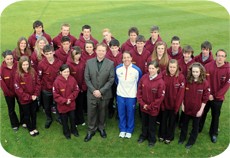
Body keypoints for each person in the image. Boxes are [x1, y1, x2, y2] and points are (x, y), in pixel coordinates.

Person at [84, 43, 114, 142]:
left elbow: (111, 79)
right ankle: (91, 130)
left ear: (106, 52)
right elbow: (87, 78)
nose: (101, 52)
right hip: (91, 93)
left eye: (103, 51)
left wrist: (101, 91)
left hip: (104, 94)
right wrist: (94, 90)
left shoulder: (110, 63)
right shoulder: (89, 62)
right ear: (96, 50)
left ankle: (101, 128)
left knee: (102, 112)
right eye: (99, 50)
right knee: (91, 112)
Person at [199, 49, 229, 143]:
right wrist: (208, 94)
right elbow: (204, 81)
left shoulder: (228, 70)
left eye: (222, 56)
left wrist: (215, 96)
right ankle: (198, 128)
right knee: (203, 112)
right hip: (207, 96)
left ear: (225, 57)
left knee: (215, 116)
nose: (220, 57)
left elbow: (226, 86)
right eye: (218, 55)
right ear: (215, 56)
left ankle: (213, 133)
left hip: (218, 99)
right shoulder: (208, 66)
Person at [178, 62, 210, 149]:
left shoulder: (205, 83)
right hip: (187, 107)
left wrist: (201, 110)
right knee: (184, 124)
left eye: (197, 72)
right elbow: (182, 94)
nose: (195, 73)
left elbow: (205, 98)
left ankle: (191, 141)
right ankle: (182, 138)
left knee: (195, 126)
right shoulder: (187, 81)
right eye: (193, 72)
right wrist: (183, 105)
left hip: (197, 109)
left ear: (201, 72)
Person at [137, 60, 165, 147]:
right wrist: (143, 104)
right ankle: (143, 135)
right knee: (144, 123)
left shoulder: (161, 82)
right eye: (149, 68)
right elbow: (139, 92)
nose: (151, 70)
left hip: (153, 109)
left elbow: (160, 98)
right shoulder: (144, 78)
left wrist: (149, 106)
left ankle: (152, 139)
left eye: (153, 68)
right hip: (143, 107)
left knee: (152, 125)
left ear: (157, 69)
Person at [115, 51, 142, 139]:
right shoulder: (118, 69)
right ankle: (123, 129)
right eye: (124, 57)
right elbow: (116, 80)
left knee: (130, 113)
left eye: (128, 57)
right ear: (122, 59)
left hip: (131, 96)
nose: (126, 59)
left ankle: (129, 130)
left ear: (131, 58)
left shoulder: (136, 70)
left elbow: (139, 83)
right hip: (120, 95)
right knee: (121, 113)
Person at [159, 59, 185, 144]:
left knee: (172, 121)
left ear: (177, 67)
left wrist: (177, 107)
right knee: (163, 120)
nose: (172, 69)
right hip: (164, 103)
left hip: (174, 105)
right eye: (170, 67)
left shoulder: (181, 77)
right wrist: (162, 103)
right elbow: (160, 89)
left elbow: (181, 94)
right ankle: (162, 135)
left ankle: (169, 137)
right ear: (168, 67)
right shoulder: (163, 74)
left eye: (174, 67)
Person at [14, 56, 41, 136]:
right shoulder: (18, 75)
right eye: (23, 65)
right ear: (20, 65)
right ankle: (30, 128)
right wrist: (29, 97)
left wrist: (35, 94)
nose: (25, 66)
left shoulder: (33, 71)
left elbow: (38, 83)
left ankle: (34, 126)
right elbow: (18, 90)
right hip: (24, 100)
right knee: (27, 114)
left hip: (33, 98)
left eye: (27, 64)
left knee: (33, 113)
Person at [37, 44, 63, 128]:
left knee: (58, 104)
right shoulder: (41, 64)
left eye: (50, 53)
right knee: (47, 106)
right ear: (44, 54)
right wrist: (43, 87)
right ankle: (49, 118)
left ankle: (59, 117)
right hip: (46, 90)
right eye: (47, 54)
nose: (49, 55)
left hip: (57, 90)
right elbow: (39, 77)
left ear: (54, 52)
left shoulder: (59, 63)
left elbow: (61, 76)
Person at [53, 64, 80, 139]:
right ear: (61, 72)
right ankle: (66, 132)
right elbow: (55, 95)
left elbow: (76, 90)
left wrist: (70, 99)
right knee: (64, 120)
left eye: (68, 71)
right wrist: (65, 101)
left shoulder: (72, 79)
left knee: (72, 118)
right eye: (65, 72)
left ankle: (74, 130)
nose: (67, 73)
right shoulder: (57, 82)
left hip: (71, 103)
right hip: (62, 105)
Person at [0, 50, 24, 131]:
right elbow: (2, 84)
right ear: (4, 59)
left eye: (11, 58)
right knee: (11, 109)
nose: (10, 61)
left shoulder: (18, 64)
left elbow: (23, 76)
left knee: (22, 106)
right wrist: (9, 93)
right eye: (8, 59)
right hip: (8, 93)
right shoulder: (1, 69)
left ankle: (23, 121)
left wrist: (20, 90)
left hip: (19, 91)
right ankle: (14, 124)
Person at [66, 46, 87, 126]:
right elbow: (69, 77)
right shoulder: (69, 64)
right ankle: (74, 121)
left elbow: (85, 75)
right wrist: (74, 88)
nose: (78, 56)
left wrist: (83, 87)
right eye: (75, 54)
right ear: (72, 54)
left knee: (80, 104)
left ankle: (81, 119)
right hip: (73, 89)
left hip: (81, 88)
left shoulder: (83, 62)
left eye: (79, 54)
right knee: (73, 105)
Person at [105, 39, 122, 118]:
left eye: (115, 47)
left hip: (120, 80)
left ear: (118, 47)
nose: (114, 49)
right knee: (110, 97)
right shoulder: (107, 56)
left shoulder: (122, 56)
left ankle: (119, 112)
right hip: (110, 80)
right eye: (112, 48)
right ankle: (110, 111)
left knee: (119, 97)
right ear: (109, 47)